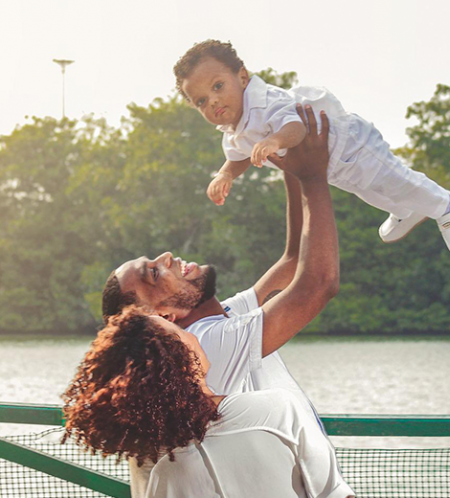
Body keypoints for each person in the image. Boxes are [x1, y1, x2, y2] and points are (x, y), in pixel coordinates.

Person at [102, 103, 339, 496]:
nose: (166, 257)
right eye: (154, 273)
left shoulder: (219, 317)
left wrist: (288, 161)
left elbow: (294, 260)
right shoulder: (207, 341)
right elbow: (318, 283)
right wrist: (313, 176)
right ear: (163, 318)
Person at [175, 39, 450, 253]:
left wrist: (274, 140)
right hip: (332, 166)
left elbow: (295, 127)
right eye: (201, 101)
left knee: (394, 179)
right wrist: (225, 174)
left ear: (242, 77)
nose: (213, 101)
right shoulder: (233, 132)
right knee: (369, 191)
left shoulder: (266, 102)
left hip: (353, 144)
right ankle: (406, 211)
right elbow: (238, 156)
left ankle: (445, 205)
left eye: (218, 86)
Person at [62, 307, 355, 498]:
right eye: (180, 332)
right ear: (183, 359)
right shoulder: (275, 411)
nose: (191, 334)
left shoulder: (165, 476)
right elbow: (333, 492)